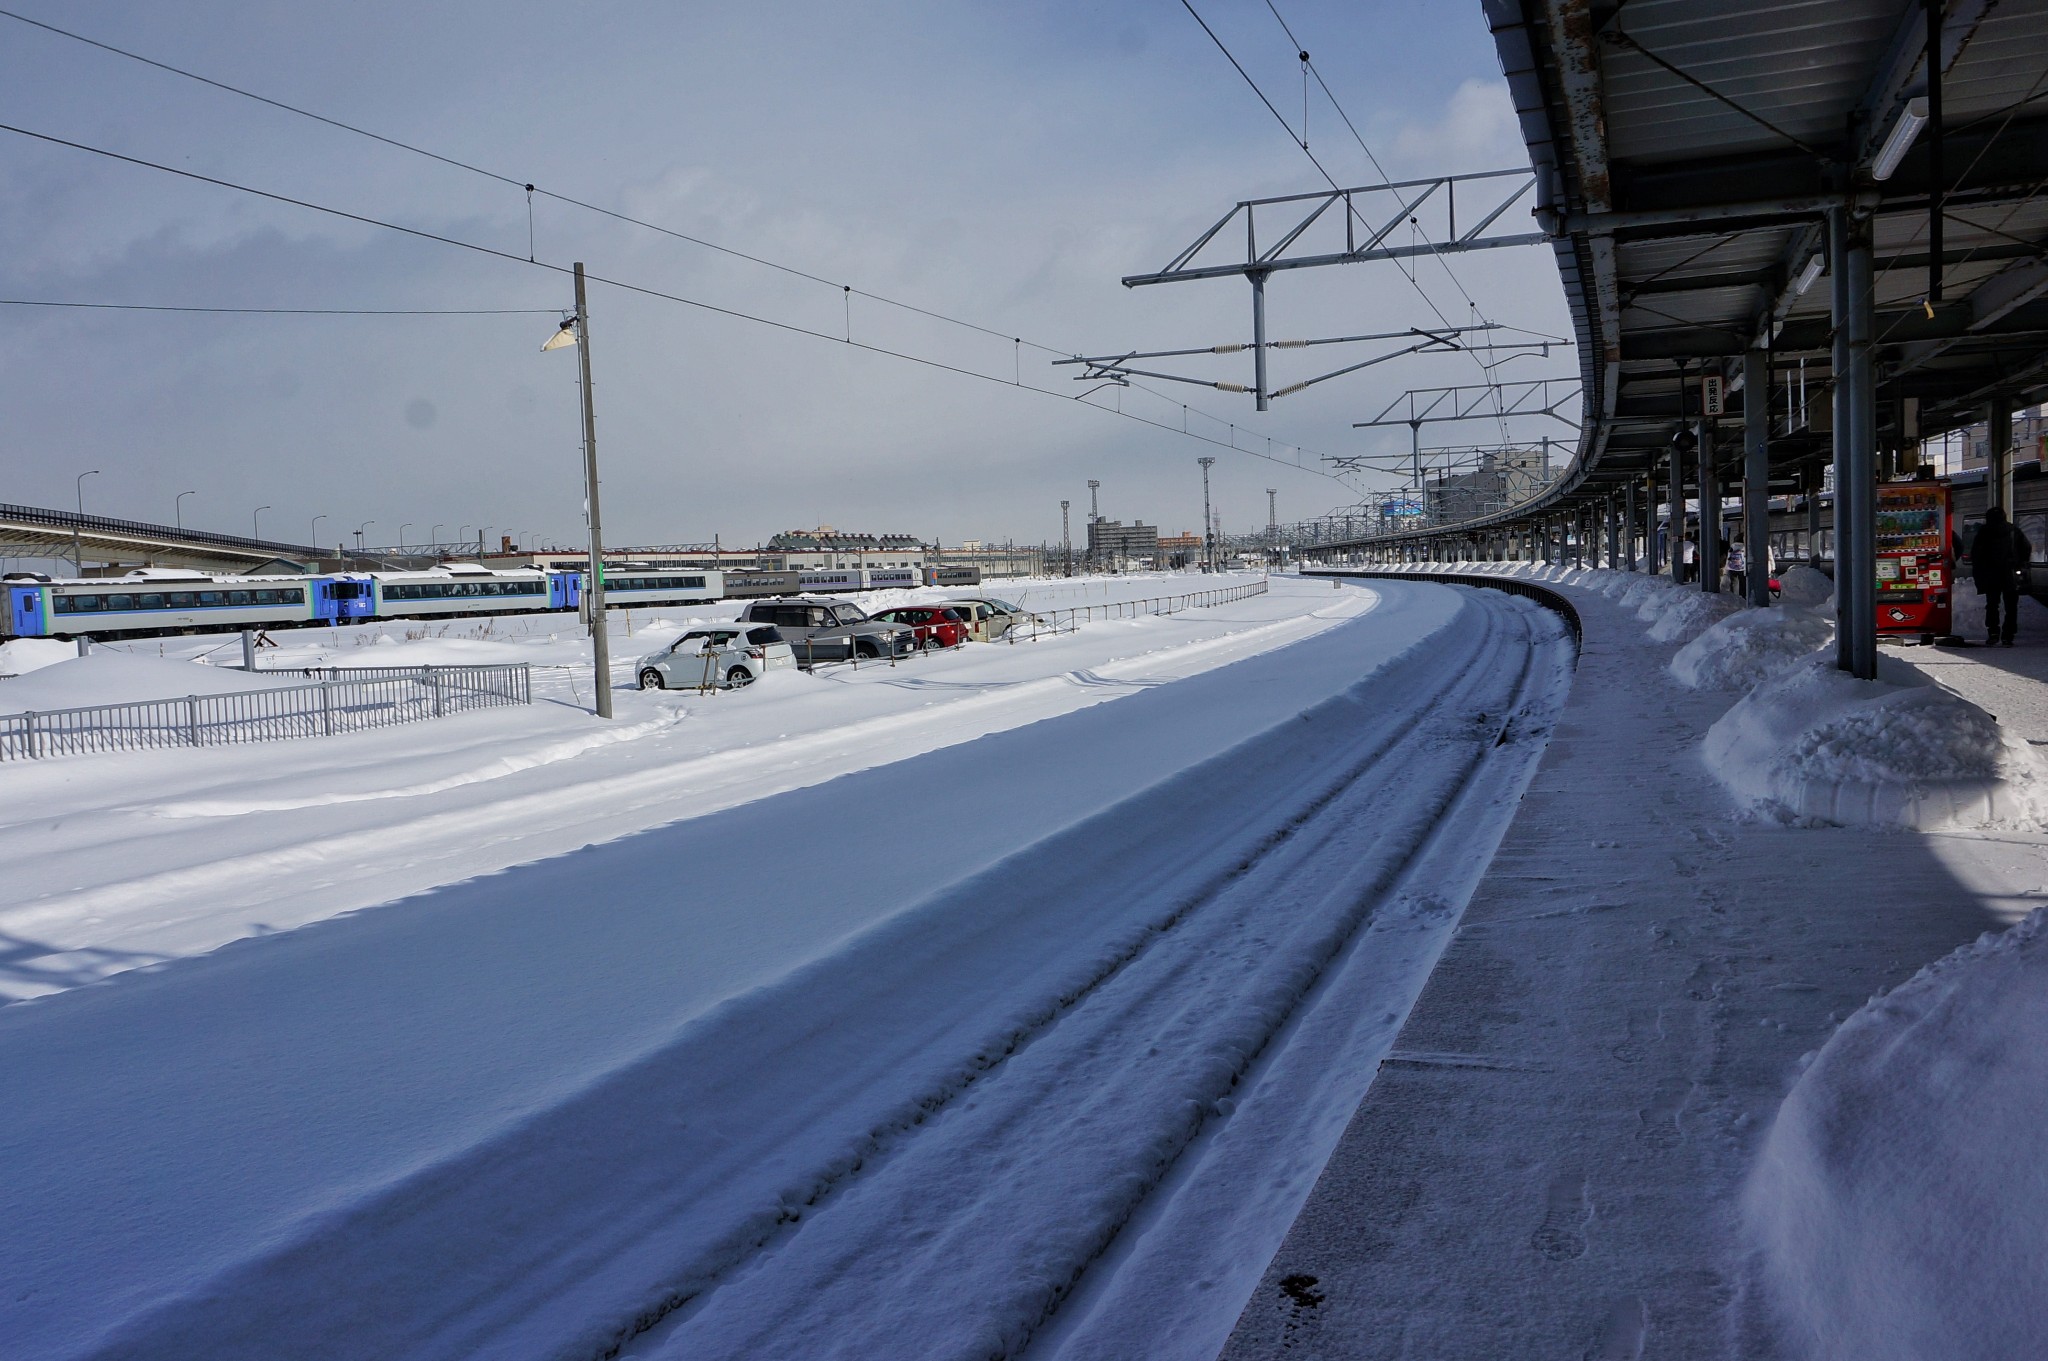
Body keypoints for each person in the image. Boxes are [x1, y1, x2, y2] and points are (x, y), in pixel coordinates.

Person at [1970, 505, 2032, 646]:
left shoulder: (1984, 532)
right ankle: (2008, 636)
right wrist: (2020, 563)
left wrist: (1980, 572)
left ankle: (1993, 633)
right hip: (2010, 575)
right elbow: (2026, 548)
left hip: (1991, 575)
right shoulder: (2014, 531)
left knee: (1992, 605)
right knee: (2011, 607)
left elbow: (1976, 554)